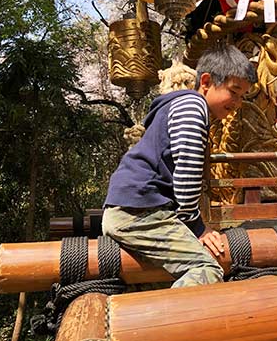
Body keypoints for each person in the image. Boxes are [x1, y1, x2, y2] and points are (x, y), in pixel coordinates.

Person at [102, 44, 257, 287]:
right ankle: (157, 324)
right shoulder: (193, 106)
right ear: (205, 82)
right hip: (140, 212)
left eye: (242, 96)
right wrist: (197, 227)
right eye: (234, 91)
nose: (237, 102)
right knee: (206, 269)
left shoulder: (178, 105)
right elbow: (187, 173)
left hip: (133, 207)